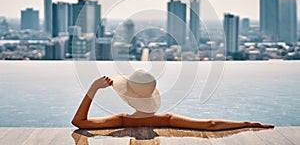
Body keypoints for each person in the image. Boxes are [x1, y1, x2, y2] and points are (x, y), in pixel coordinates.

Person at [72, 69, 274, 130]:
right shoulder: (167, 120)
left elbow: (78, 122)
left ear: (128, 98)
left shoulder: (123, 121)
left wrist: (93, 89)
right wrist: (248, 123)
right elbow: (210, 124)